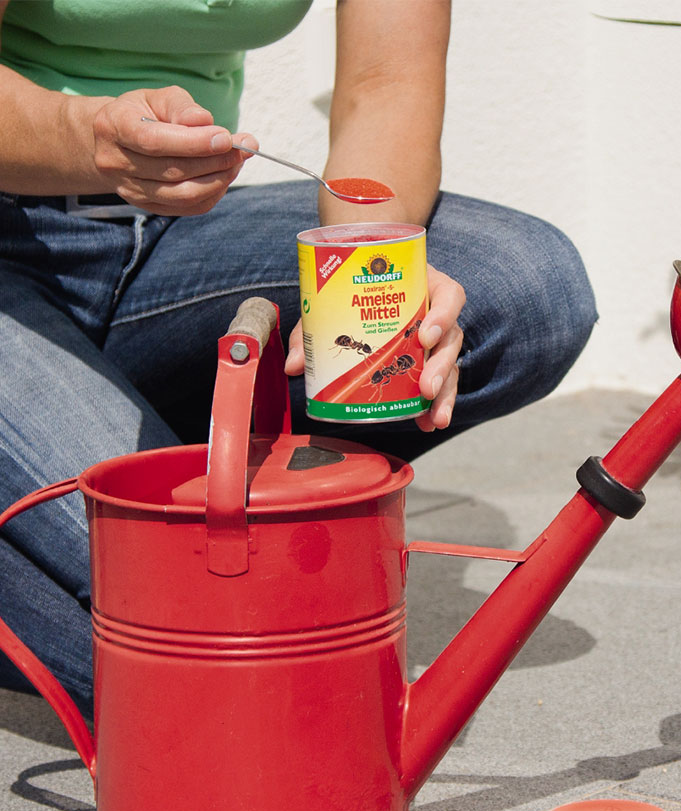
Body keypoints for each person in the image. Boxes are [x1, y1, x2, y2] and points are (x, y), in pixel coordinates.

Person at [0, 0, 597, 712]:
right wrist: (87, 135)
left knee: (527, 289)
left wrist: (372, 278)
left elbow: (385, 84)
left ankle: (138, 476)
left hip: (174, 230)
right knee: (203, 656)